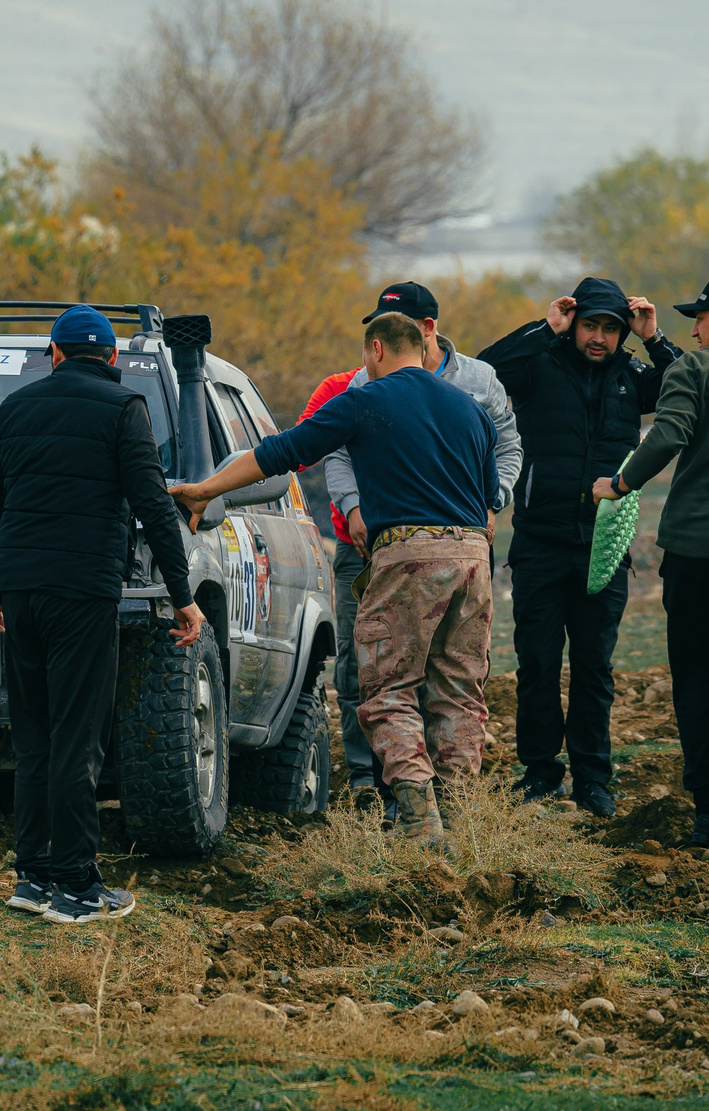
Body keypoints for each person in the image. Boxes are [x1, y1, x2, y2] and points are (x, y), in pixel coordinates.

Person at [173, 312, 496, 846]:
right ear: (422, 345)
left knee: (388, 689)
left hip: (408, 557)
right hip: (472, 558)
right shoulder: (471, 410)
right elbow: (487, 499)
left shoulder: (365, 398)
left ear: (376, 349)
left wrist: (207, 489)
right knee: (459, 694)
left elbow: (280, 455)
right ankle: (463, 824)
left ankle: (420, 819)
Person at [0, 306, 201, 924]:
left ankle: (32, 876)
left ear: (53, 353)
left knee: (36, 739)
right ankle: (75, 888)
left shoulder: (15, 410)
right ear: (110, 359)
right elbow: (153, 507)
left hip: (19, 591)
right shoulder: (123, 409)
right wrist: (182, 596)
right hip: (81, 591)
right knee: (78, 737)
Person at [308, 281, 522, 814]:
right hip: (371, 545)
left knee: (432, 681)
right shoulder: (360, 385)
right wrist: (354, 507)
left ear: (426, 329)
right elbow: (333, 448)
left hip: (448, 546)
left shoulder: (477, 384)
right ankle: (372, 784)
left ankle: (431, 809)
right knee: (365, 669)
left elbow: (507, 446)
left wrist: (490, 501)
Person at [479, 277, 676, 816]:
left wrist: (655, 339)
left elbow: (683, 387)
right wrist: (545, 328)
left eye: (611, 329)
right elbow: (484, 371)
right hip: (540, 543)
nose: (599, 337)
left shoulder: (635, 377)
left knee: (594, 668)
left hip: (604, 549)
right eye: (590, 325)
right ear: (573, 323)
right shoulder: (539, 365)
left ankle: (594, 778)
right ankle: (541, 772)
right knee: (537, 663)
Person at [593, 276, 709, 846]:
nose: (695, 329)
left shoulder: (696, 368)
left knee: (700, 681)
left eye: (702, 318)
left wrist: (620, 482)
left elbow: (668, 434)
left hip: (698, 551)